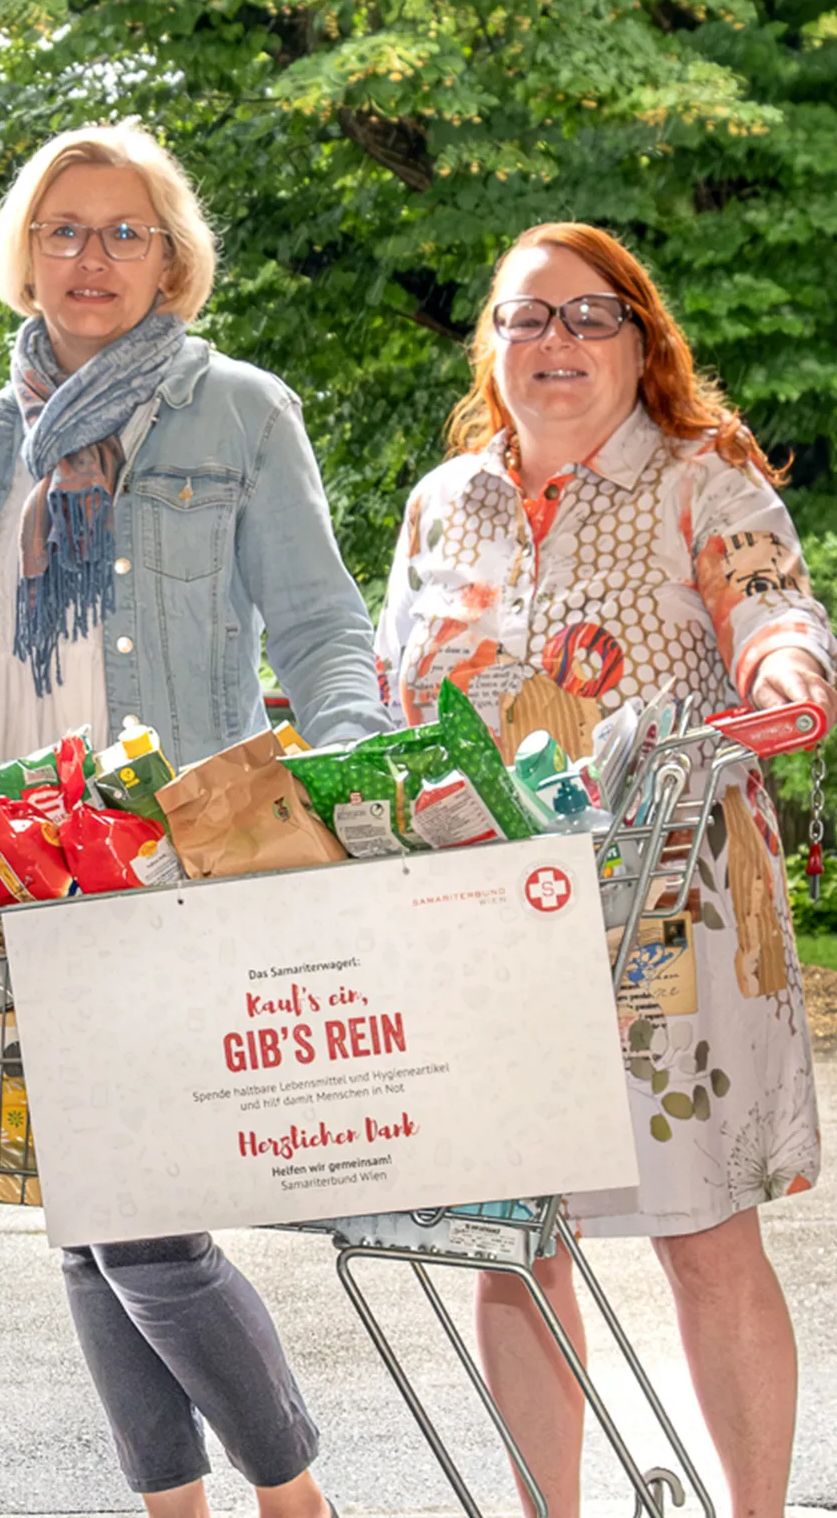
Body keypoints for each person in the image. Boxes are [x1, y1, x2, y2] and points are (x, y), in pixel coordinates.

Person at [0, 123, 380, 1518]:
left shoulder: (237, 409)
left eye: (126, 231)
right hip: (6, 849)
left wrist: (346, 763)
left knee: (138, 1223)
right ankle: (175, 1505)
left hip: (157, 848)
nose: (93, 257)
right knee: (87, 1219)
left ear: (171, 256)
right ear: (27, 254)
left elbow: (319, 623)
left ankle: (295, 1497)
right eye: (65, 229)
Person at [376, 222, 831, 1518]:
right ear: (492, 344)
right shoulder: (441, 503)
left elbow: (773, 604)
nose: (557, 342)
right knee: (515, 1246)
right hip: (485, 917)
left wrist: (788, 672)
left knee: (706, 1236)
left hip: (667, 911)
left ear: (643, 340)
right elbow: (381, 676)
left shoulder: (704, 475)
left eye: (589, 317)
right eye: (528, 317)